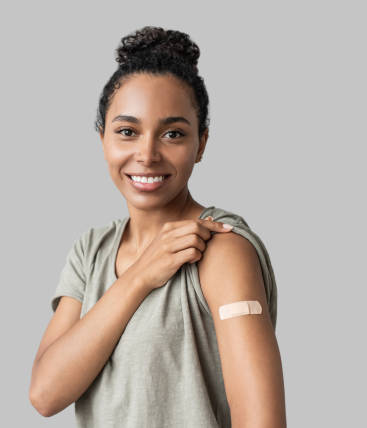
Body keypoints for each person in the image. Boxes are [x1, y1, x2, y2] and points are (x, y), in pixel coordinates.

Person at [29, 26, 286, 428]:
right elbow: (46, 393)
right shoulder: (91, 250)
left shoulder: (222, 248)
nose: (146, 154)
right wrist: (140, 276)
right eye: (127, 132)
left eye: (173, 134)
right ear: (103, 139)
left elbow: (262, 422)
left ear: (201, 143)